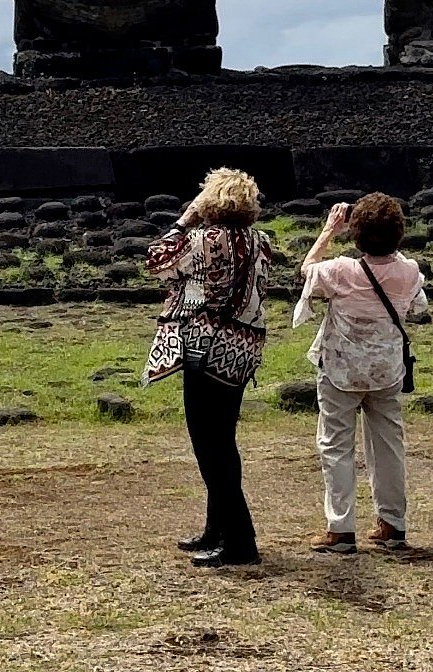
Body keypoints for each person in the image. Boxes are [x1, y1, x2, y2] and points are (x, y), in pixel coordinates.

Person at [142, 167, 271, 567]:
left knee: (209, 447)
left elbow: (155, 260)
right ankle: (219, 528)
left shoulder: (199, 240)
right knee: (223, 441)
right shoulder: (262, 242)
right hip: (242, 349)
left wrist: (184, 219)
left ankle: (240, 540)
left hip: (204, 346)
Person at [293, 192, 427, 554]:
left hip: (341, 368)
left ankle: (341, 528)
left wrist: (328, 231)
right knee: (388, 446)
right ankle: (393, 524)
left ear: (356, 234)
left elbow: (307, 271)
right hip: (386, 369)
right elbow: (418, 306)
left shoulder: (339, 271)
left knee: (335, 444)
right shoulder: (409, 272)